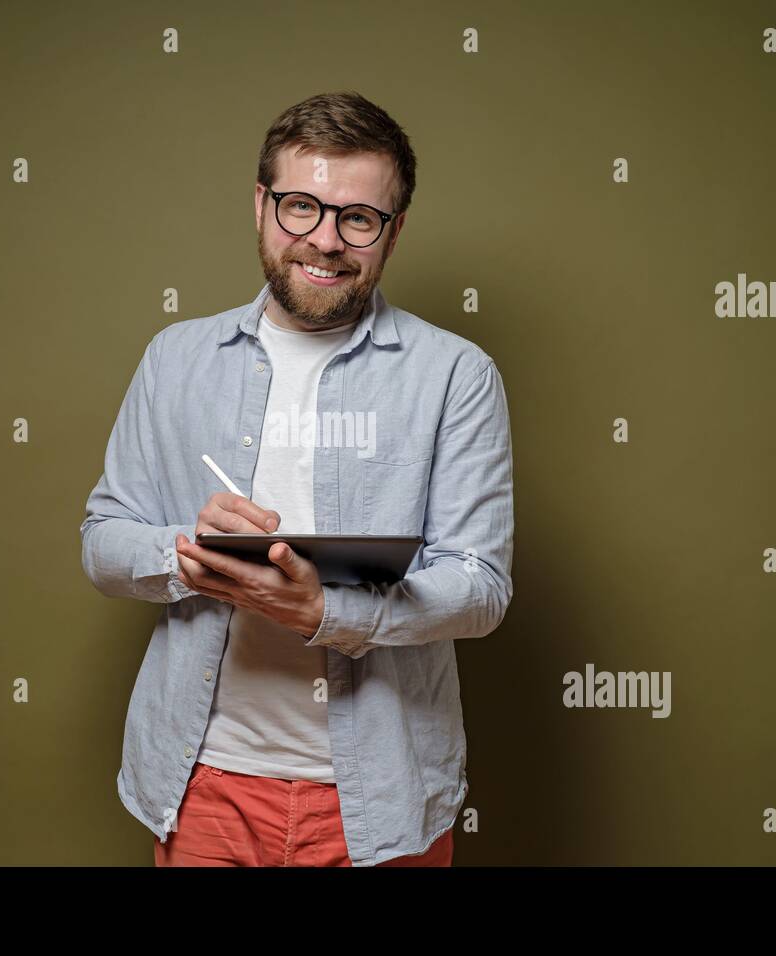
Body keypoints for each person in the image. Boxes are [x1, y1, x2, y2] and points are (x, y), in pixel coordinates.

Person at [80, 90, 514, 866]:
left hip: (382, 799)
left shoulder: (456, 375)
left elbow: (479, 587)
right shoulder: (174, 359)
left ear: (394, 229)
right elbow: (103, 542)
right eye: (299, 207)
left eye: (358, 218)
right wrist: (192, 554)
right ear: (260, 204)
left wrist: (326, 610)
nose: (324, 240)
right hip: (202, 788)